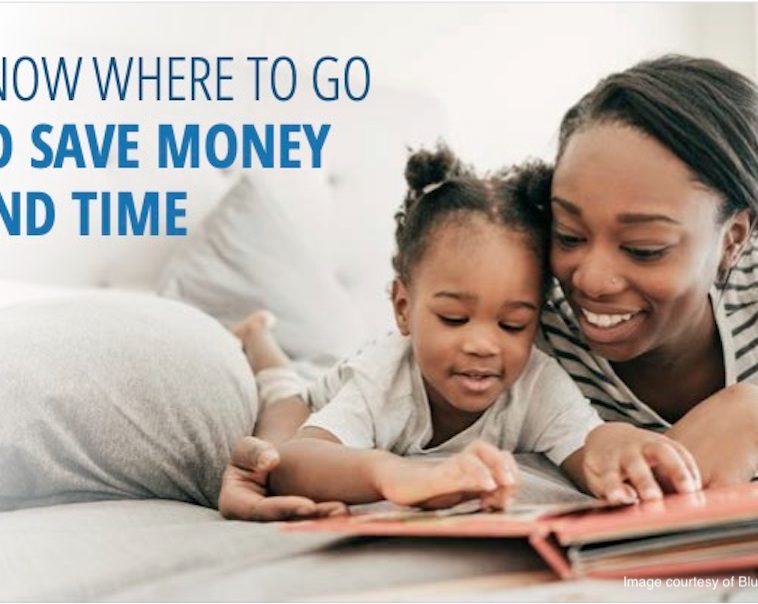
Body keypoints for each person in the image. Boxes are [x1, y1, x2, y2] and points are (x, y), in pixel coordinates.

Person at [219, 55, 758, 522]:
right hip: (334, 382)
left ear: (734, 238)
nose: (590, 280)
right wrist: (271, 456)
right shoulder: (522, 299)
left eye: (644, 246)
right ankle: (263, 341)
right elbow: (371, 409)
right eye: (569, 234)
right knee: (298, 375)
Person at [224, 145, 701, 517]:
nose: (481, 344)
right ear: (404, 308)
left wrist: (619, 444)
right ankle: (258, 337)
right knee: (280, 405)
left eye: (513, 324)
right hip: (316, 398)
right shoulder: (382, 379)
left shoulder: (537, 382)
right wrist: (393, 474)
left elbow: (586, 442)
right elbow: (298, 462)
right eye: (453, 318)